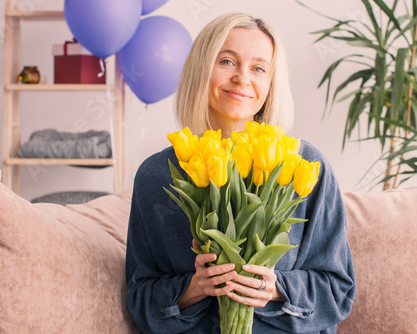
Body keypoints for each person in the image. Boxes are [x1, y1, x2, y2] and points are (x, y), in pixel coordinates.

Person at [125, 12, 355, 334]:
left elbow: (338, 292)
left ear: (270, 84)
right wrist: (194, 288)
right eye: (227, 61)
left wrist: (275, 288)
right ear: (201, 69)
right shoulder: (157, 175)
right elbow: (139, 298)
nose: (242, 78)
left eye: (259, 68)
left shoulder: (302, 165)